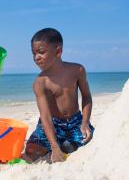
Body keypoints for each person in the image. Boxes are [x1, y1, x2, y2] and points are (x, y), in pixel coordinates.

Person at [24, 28, 94, 163]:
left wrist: (85, 123)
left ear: (58, 51)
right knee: (31, 151)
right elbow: (45, 116)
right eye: (34, 53)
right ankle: (58, 145)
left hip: (75, 122)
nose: (36, 57)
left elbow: (86, 97)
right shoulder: (40, 83)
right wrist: (55, 147)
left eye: (41, 52)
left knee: (86, 138)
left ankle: (66, 145)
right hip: (52, 123)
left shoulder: (77, 70)